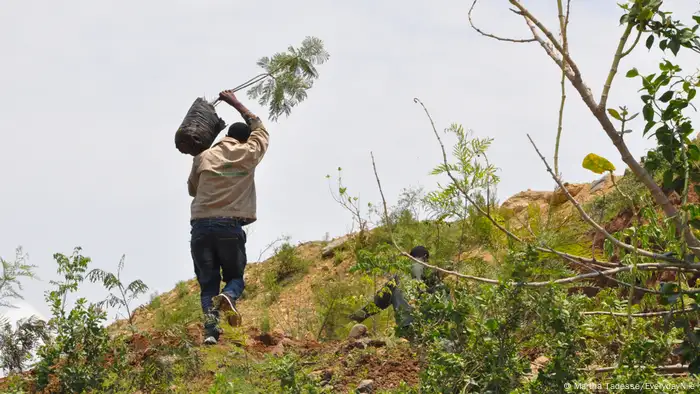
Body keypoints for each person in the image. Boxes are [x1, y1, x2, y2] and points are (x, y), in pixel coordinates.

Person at [187, 89, 269, 345]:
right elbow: (262, 131)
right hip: (229, 227)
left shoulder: (203, 156)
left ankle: (211, 333)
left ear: (226, 136)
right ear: (245, 140)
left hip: (201, 227)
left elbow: (192, 189)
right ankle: (230, 296)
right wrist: (235, 103)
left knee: (207, 284)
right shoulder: (248, 154)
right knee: (235, 277)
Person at [349, 246, 440, 334]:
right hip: (430, 325)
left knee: (392, 290)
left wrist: (358, 316)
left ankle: (355, 317)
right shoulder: (433, 272)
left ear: (410, 257)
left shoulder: (401, 274)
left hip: (406, 324)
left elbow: (380, 300)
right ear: (425, 257)